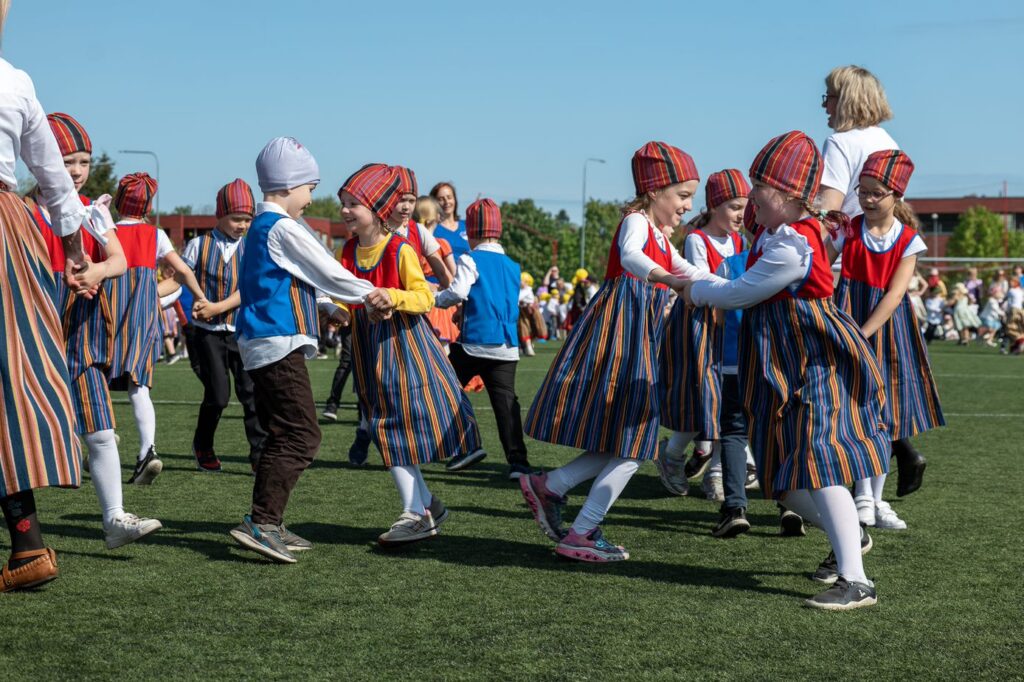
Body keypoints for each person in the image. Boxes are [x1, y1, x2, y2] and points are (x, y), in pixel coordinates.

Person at [681, 131, 889, 610]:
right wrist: (688, 277)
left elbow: (739, 293)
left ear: (791, 194)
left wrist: (693, 289)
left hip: (810, 363)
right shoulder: (775, 235)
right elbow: (736, 282)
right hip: (779, 365)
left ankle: (856, 581)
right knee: (785, 482)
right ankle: (849, 537)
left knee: (819, 462)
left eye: (761, 186)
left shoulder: (793, 245)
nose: (752, 194)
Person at [520, 141, 703, 562]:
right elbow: (630, 255)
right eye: (682, 195)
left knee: (624, 438)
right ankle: (581, 530)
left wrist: (737, 290)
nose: (688, 205)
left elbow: (694, 273)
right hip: (621, 338)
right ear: (654, 191)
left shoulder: (662, 237)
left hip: (636, 339)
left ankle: (551, 487)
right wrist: (670, 281)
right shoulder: (636, 221)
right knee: (635, 443)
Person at [229, 137, 383, 564]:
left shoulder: (261, 228)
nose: (311, 198)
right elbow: (325, 269)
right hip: (276, 341)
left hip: (263, 341)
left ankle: (269, 521)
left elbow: (294, 278)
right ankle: (262, 522)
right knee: (302, 435)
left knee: (284, 434)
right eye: (309, 188)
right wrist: (372, 294)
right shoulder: (283, 227)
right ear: (289, 185)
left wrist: (326, 307)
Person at [0, 9, 107, 590]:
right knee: (10, 380)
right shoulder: (14, 80)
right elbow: (54, 177)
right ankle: (26, 546)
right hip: (7, 227)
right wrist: (72, 248)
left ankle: (27, 547)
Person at [25, 111, 162, 551]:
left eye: (83, 161)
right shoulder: (21, 212)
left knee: (101, 431)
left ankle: (114, 519)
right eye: (67, 161)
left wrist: (95, 272)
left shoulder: (91, 211)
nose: (77, 171)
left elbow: (118, 260)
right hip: (32, 336)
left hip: (83, 337)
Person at [337, 163, 481, 546]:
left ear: (377, 209)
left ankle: (416, 513)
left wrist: (393, 296)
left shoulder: (399, 249)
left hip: (403, 347)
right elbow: (341, 295)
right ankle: (427, 504)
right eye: (343, 203)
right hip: (368, 349)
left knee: (390, 425)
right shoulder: (347, 250)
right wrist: (335, 310)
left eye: (353, 203)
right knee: (386, 424)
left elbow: (423, 297)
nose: (345, 210)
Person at [832, 150, 944, 516]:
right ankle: (863, 494)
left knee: (886, 410)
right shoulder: (848, 229)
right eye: (862, 191)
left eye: (875, 193)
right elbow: (818, 264)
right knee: (852, 406)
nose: (867, 199)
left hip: (890, 330)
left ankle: (874, 498)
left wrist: (862, 333)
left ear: (895, 194)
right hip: (848, 318)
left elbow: (895, 294)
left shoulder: (909, 240)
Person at [658, 169, 755, 537]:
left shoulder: (741, 242)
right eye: (734, 207)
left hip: (730, 328)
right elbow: (701, 282)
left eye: (744, 207)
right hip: (701, 327)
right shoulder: (697, 240)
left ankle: (717, 472)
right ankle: (671, 456)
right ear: (714, 206)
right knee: (702, 401)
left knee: (725, 404)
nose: (740, 215)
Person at [106, 172, 206, 485]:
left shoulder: (105, 230)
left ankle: (101, 438)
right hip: (143, 317)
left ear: (119, 201)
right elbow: (182, 271)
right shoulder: (156, 235)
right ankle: (147, 451)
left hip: (107, 314)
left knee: (95, 379)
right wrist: (200, 297)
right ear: (148, 207)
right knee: (139, 387)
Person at [435, 198, 536, 479]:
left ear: (473, 233)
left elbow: (458, 292)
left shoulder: (470, 258)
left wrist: (434, 299)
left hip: (474, 342)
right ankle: (519, 464)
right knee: (506, 406)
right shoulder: (513, 265)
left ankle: (468, 444)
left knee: (442, 389)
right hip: (506, 346)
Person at [183, 178, 268, 472]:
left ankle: (259, 455)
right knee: (218, 396)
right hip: (207, 335)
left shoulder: (253, 248)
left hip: (242, 332)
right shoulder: (197, 245)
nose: (242, 225)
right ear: (220, 214)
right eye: (236, 218)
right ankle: (203, 445)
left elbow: (248, 289)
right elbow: (180, 277)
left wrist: (217, 307)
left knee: (251, 394)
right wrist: (155, 296)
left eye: (247, 219)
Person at [818, 65, 898, 217]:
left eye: (828, 97)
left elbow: (828, 212)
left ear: (845, 101)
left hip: (848, 232)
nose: (824, 104)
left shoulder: (838, 143)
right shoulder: (891, 144)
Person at [430, 181, 470, 259]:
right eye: (441, 199)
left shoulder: (467, 225)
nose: (446, 202)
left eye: (449, 197)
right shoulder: (432, 229)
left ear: (455, 199)